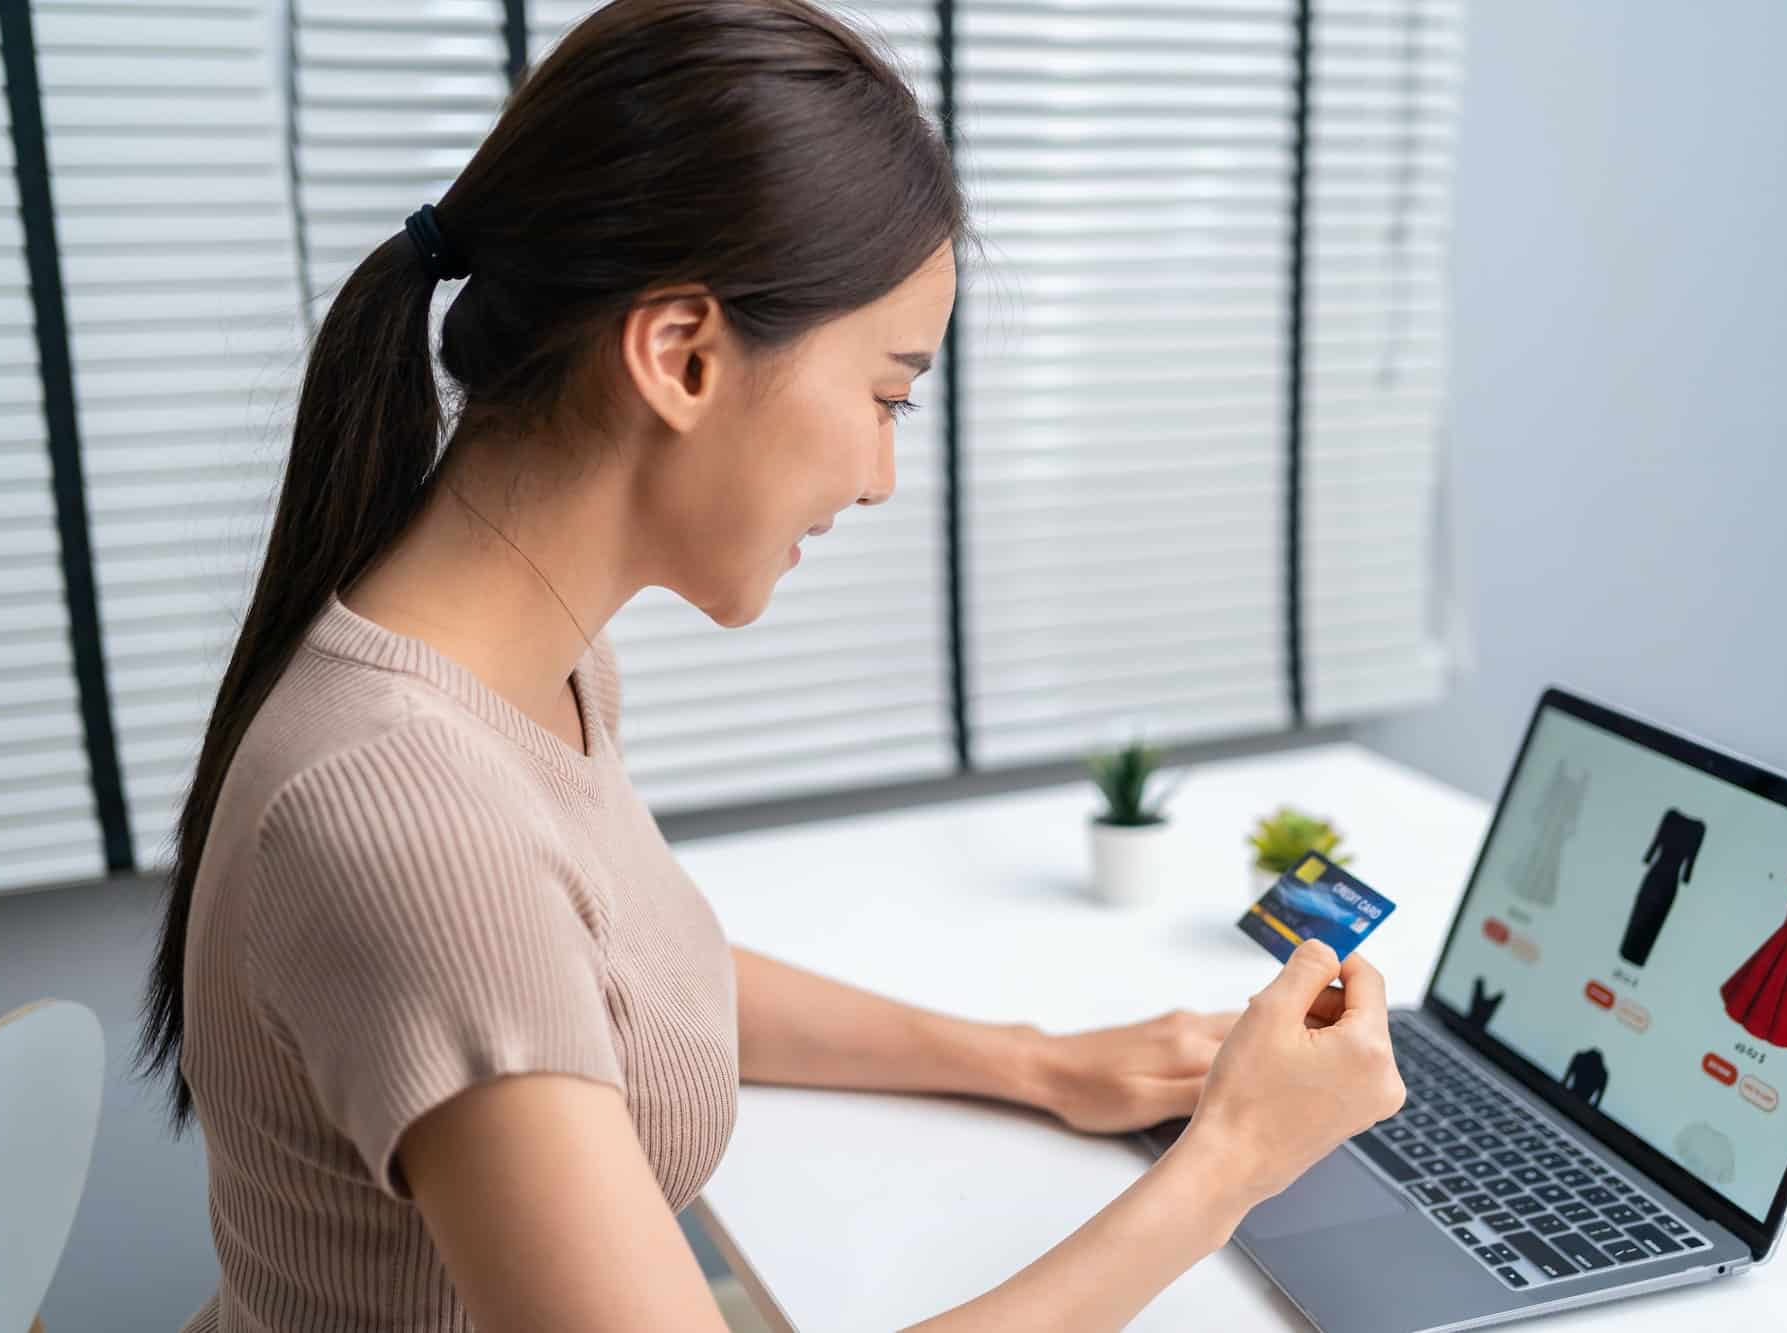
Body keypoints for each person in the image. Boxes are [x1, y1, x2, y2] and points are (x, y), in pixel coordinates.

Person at [135, 2, 1404, 1329]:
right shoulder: (411, 812)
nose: (880, 476)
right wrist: (1232, 1166)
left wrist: (1032, 1064)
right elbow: (501, 941)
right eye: (886, 395)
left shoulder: (518, 667)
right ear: (683, 354)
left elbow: (604, 977)